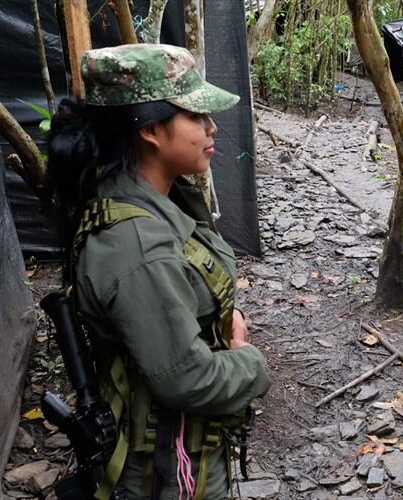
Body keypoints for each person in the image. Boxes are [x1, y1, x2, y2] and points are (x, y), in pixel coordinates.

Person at [47, 44, 270, 499]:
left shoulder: (156, 196)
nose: (211, 127)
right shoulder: (136, 245)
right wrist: (249, 359)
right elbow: (188, 380)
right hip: (165, 474)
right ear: (150, 129)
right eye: (195, 116)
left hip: (182, 453)